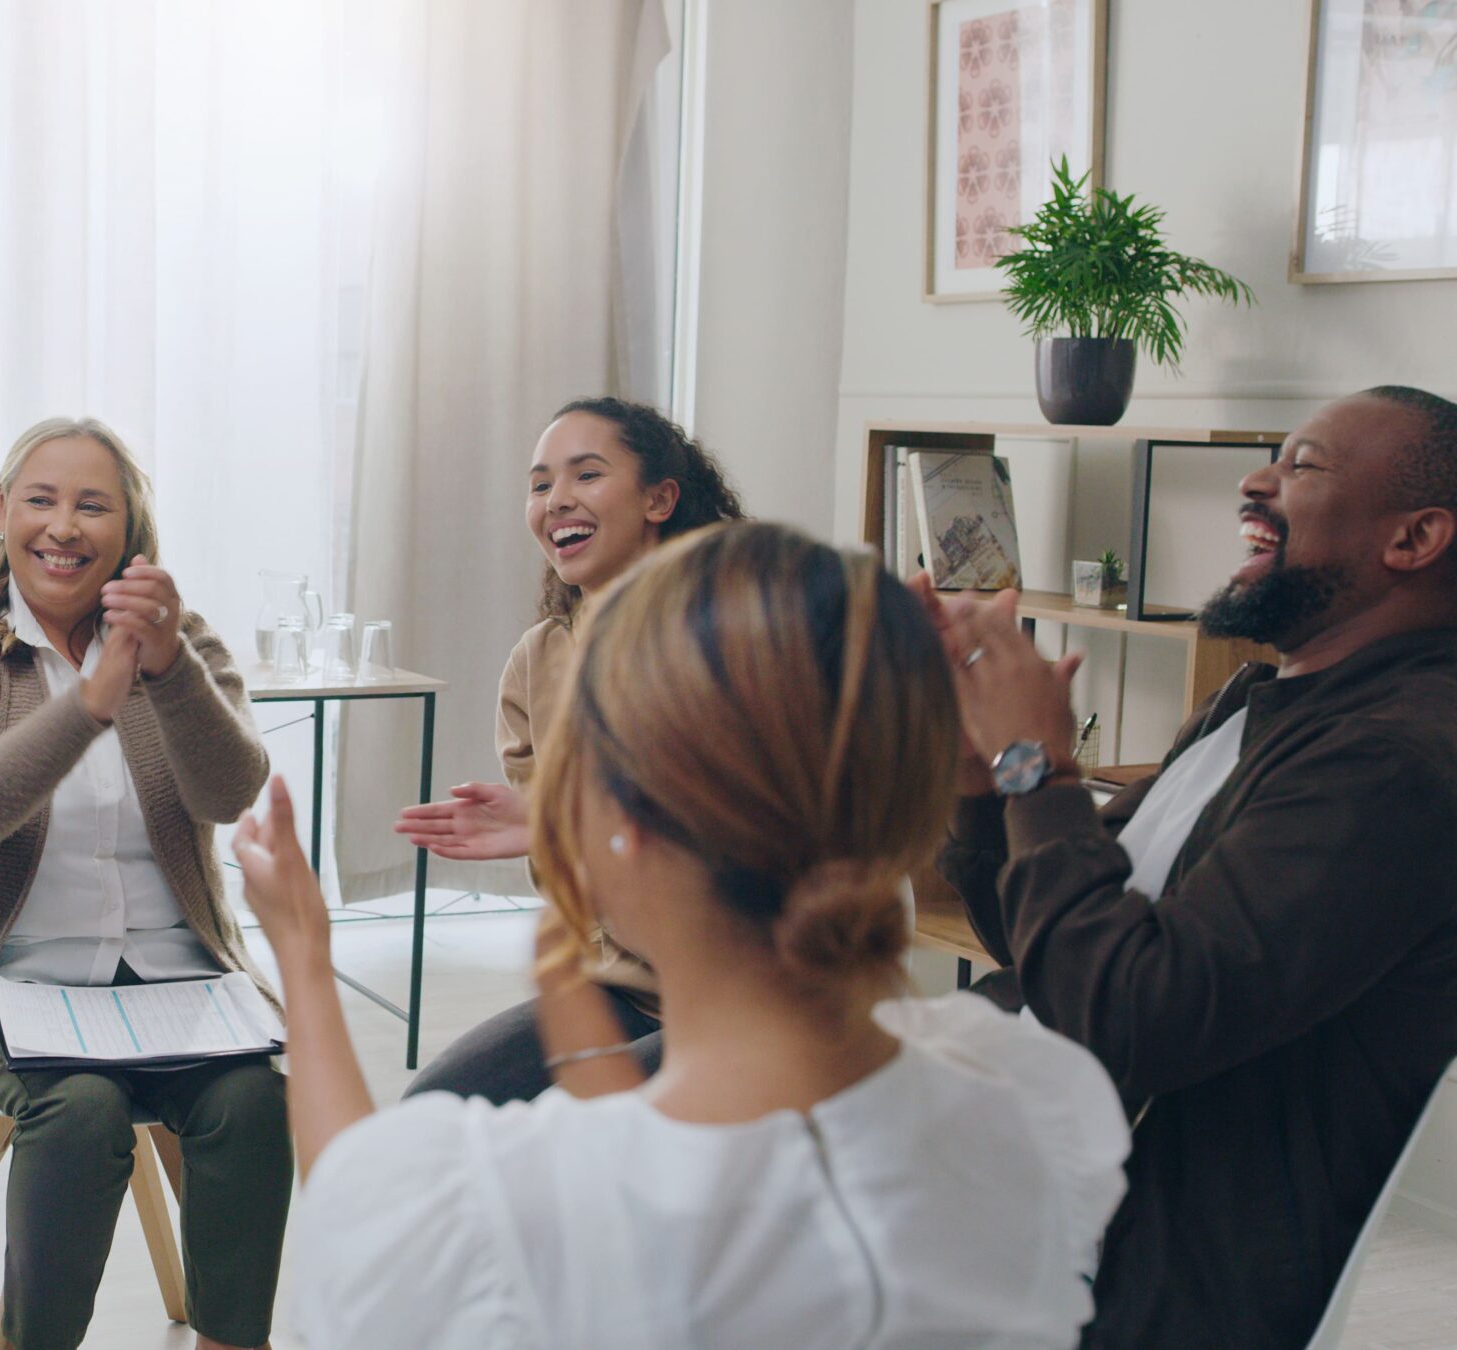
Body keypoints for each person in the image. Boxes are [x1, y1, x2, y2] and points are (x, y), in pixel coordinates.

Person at [237, 521, 1131, 1348]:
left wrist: (304, 959)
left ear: (621, 827)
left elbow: (356, 1217)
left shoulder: (507, 1215)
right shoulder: (1018, 1102)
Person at [928, 386, 1457, 1348]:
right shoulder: (1260, 699)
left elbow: (1138, 1016)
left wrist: (1040, 771)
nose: (1256, 481)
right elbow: (1058, 957)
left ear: (1414, 540)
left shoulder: (1397, 760)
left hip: (1145, 1268)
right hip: (1040, 1156)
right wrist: (982, 781)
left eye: (1303, 465)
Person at [0, 417, 289, 1350]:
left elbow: (231, 789)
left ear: (130, 533)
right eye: (42, 500)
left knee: (254, 1100)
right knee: (80, 1110)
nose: (64, 526)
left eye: (92, 505)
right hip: (1, 982)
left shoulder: (181, 644)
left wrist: (167, 666)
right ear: (2, 516)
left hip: (171, 978)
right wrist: (89, 706)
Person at [395, 398, 743, 1101]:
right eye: (540, 484)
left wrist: (561, 822)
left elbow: (754, 853)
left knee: (586, 1145)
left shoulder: (737, 634)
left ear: (660, 498)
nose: (557, 501)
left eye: (586, 475)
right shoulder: (539, 660)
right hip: (626, 990)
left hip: (753, 996)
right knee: (430, 1117)